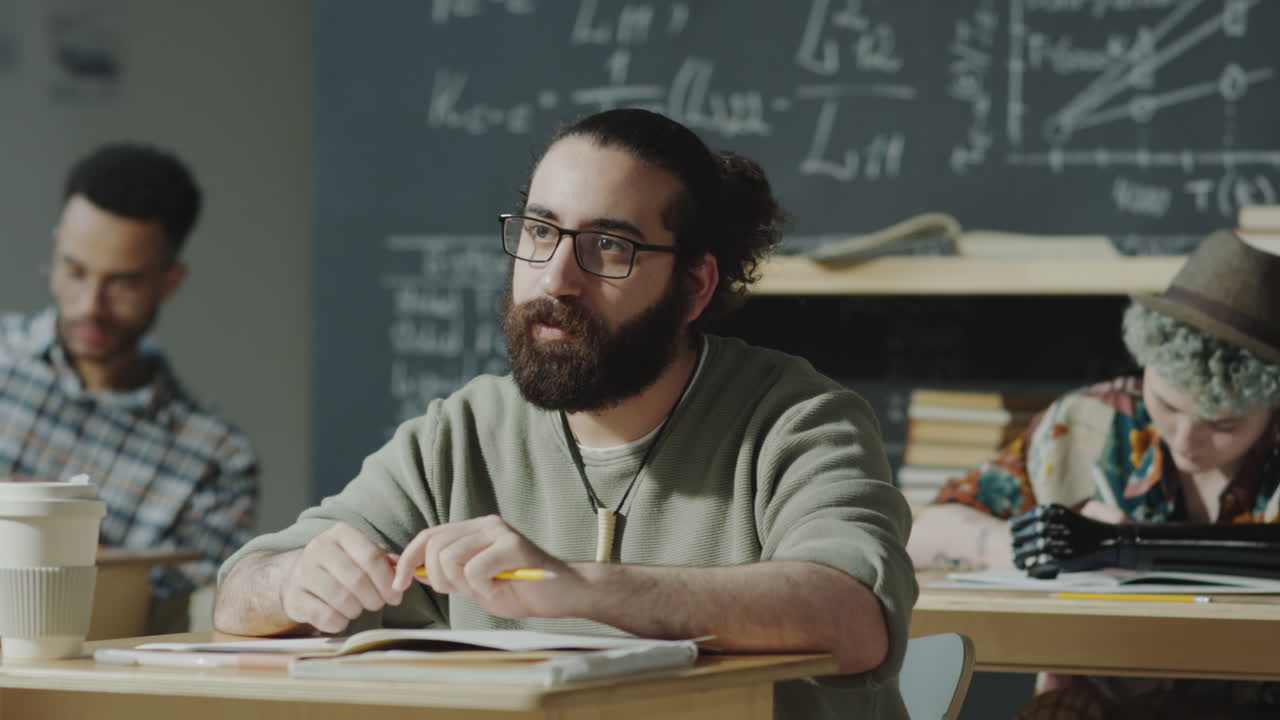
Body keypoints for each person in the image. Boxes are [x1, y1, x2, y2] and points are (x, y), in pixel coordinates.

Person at [214, 108, 916, 719]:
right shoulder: (463, 432)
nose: (555, 278)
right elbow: (238, 594)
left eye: (608, 246)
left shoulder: (798, 420)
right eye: (540, 232)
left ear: (694, 284)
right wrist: (297, 580)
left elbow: (853, 616)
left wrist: (578, 587)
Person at [908, 229, 1280, 719]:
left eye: (1223, 424)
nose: (1187, 440)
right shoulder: (1086, 425)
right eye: (1167, 405)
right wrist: (1034, 542)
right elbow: (919, 534)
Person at [0, 142, 258, 631]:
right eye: (74, 271)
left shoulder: (216, 458)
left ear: (170, 281)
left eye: (123, 283)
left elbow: (185, 623)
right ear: (55, 249)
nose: (90, 306)